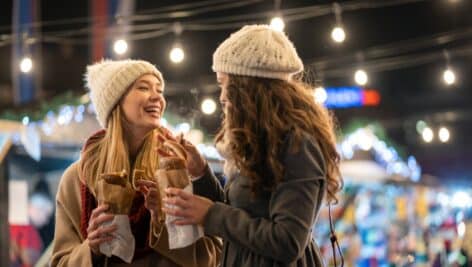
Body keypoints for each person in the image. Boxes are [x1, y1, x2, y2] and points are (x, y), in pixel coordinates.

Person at [163, 24, 343, 266]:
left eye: (225, 83)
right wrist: (201, 173)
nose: (222, 96)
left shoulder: (297, 145)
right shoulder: (261, 144)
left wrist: (210, 215)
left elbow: (288, 241)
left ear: (248, 88)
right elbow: (242, 216)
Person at [51, 59, 222, 266]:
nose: (158, 97)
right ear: (116, 103)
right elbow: (60, 262)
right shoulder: (78, 179)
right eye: (143, 87)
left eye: (159, 90)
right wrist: (92, 249)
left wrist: (163, 221)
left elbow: (212, 258)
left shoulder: (178, 169)